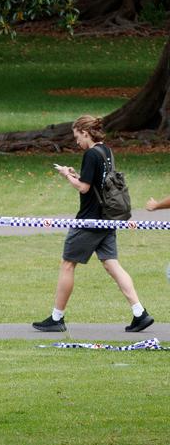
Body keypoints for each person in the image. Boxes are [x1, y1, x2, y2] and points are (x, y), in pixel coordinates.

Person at [32, 115, 152, 333]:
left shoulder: (90, 154)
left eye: (77, 136)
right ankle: (139, 313)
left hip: (89, 219)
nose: (76, 141)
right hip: (107, 218)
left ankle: (57, 317)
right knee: (111, 264)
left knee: (68, 264)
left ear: (85, 133)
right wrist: (76, 174)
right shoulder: (106, 151)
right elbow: (95, 181)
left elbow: (85, 188)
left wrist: (66, 176)